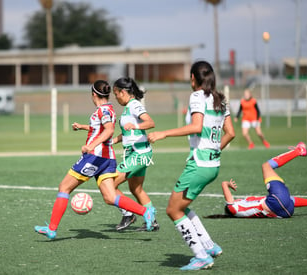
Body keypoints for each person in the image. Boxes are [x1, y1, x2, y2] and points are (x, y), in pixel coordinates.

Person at [34, 80, 156, 240]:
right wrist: (84, 127)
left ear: (93, 94)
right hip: (107, 158)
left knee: (64, 187)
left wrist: (90, 145)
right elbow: (101, 129)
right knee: (110, 197)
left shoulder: (103, 111)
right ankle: (145, 212)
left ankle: (52, 229)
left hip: (95, 157)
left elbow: (109, 130)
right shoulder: (110, 109)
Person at [148, 61, 235, 270]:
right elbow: (231, 133)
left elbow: (196, 126)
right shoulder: (221, 99)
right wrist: (214, 150)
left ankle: (201, 255)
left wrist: (164, 133)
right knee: (181, 205)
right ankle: (209, 245)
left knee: (172, 209)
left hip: (199, 164)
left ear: (194, 78)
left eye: (190, 77)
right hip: (212, 164)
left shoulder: (197, 96)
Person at [222, 142, 307, 218]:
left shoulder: (244, 208)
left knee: (287, 199)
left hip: (285, 212)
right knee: (266, 166)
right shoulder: (233, 208)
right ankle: (299, 151)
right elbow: (223, 184)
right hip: (276, 203)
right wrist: (228, 184)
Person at [112, 77, 159, 232]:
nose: (116, 97)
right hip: (137, 152)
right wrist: (113, 141)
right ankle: (152, 221)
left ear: (123, 92)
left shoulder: (134, 105)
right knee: (136, 189)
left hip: (138, 154)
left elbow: (150, 122)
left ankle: (128, 214)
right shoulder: (128, 108)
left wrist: (136, 125)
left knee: (110, 184)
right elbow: (128, 132)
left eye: (116, 94)